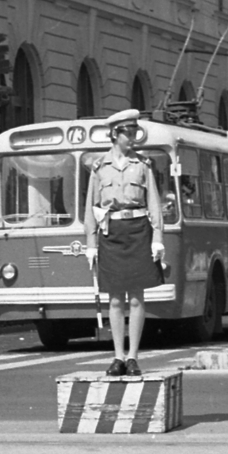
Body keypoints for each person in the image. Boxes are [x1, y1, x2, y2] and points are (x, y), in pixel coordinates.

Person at [83, 108, 165, 377]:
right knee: (115, 298)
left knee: (137, 297)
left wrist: (158, 239)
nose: (132, 138)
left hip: (138, 230)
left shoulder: (143, 165)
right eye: (128, 134)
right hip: (112, 233)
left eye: (134, 133)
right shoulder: (99, 168)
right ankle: (117, 356)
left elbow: (154, 203)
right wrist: (91, 243)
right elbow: (91, 208)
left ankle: (133, 357)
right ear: (114, 135)